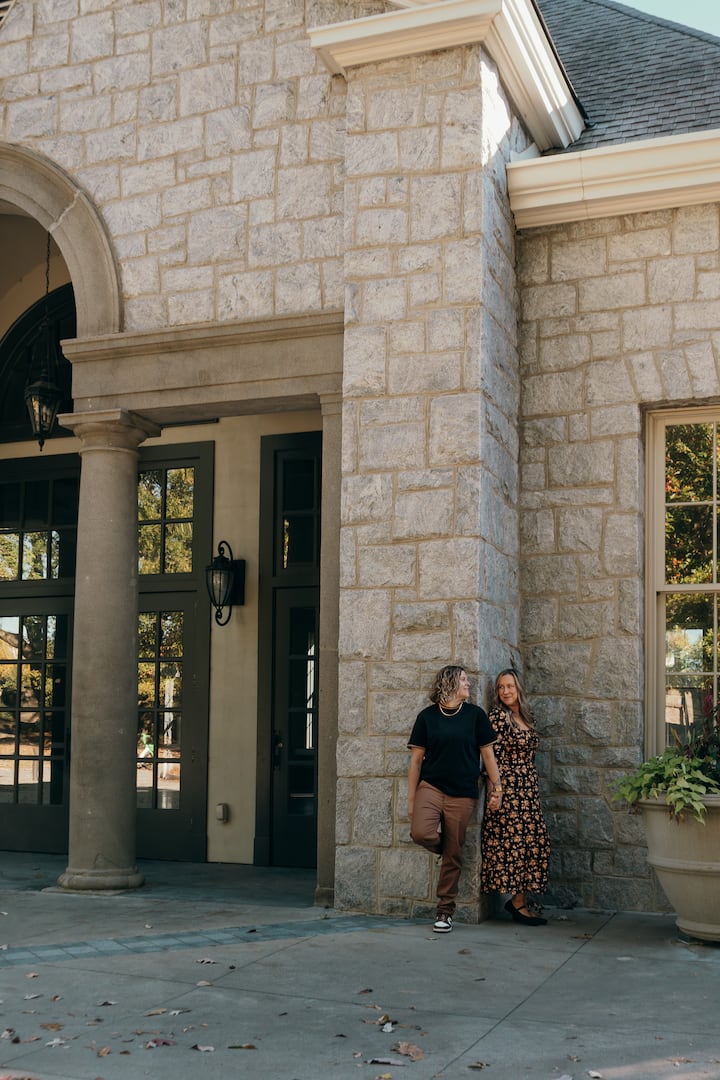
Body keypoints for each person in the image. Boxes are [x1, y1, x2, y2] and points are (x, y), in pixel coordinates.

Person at [408, 665, 502, 933]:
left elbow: (488, 755)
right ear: (449, 683)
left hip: (462, 792)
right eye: (463, 679)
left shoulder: (475, 715)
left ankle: (445, 911)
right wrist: (411, 799)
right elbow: (416, 762)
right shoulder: (427, 717)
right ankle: (449, 849)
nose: (468, 683)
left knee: (454, 854)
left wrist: (497, 789)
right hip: (431, 786)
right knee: (421, 833)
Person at [481, 668, 550, 926]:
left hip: (528, 789)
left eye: (509, 686)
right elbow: (490, 756)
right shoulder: (498, 717)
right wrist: (496, 791)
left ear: (518, 688)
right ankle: (518, 904)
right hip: (509, 789)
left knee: (534, 842)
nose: (505, 691)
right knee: (516, 844)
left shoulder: (526, 716)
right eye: (501, 687)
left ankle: (520, 901)